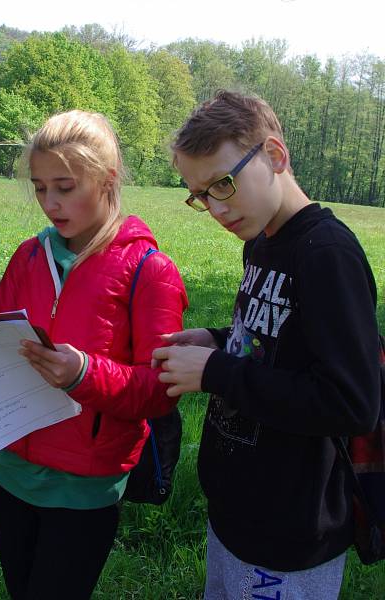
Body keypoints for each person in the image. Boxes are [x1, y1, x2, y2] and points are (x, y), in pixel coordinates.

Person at [152, 90, 381, 599]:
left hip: (291, 533)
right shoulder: (261, 241)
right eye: (199, 195)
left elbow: (352, 402)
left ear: (275, 156)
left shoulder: (326, 254)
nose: (214, 207)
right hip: (239, 513)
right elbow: (273, 345)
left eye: (223, 184)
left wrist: (215, 372)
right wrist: (214, 341)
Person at [0, 110, 188, 599]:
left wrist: (83, 372)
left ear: (107, 178)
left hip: (84, 486)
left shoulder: (149, 270)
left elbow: (159, 391)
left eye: (65, 186)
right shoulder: (28, 257)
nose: (49, 203)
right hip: (11, 471)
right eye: (39, 187)